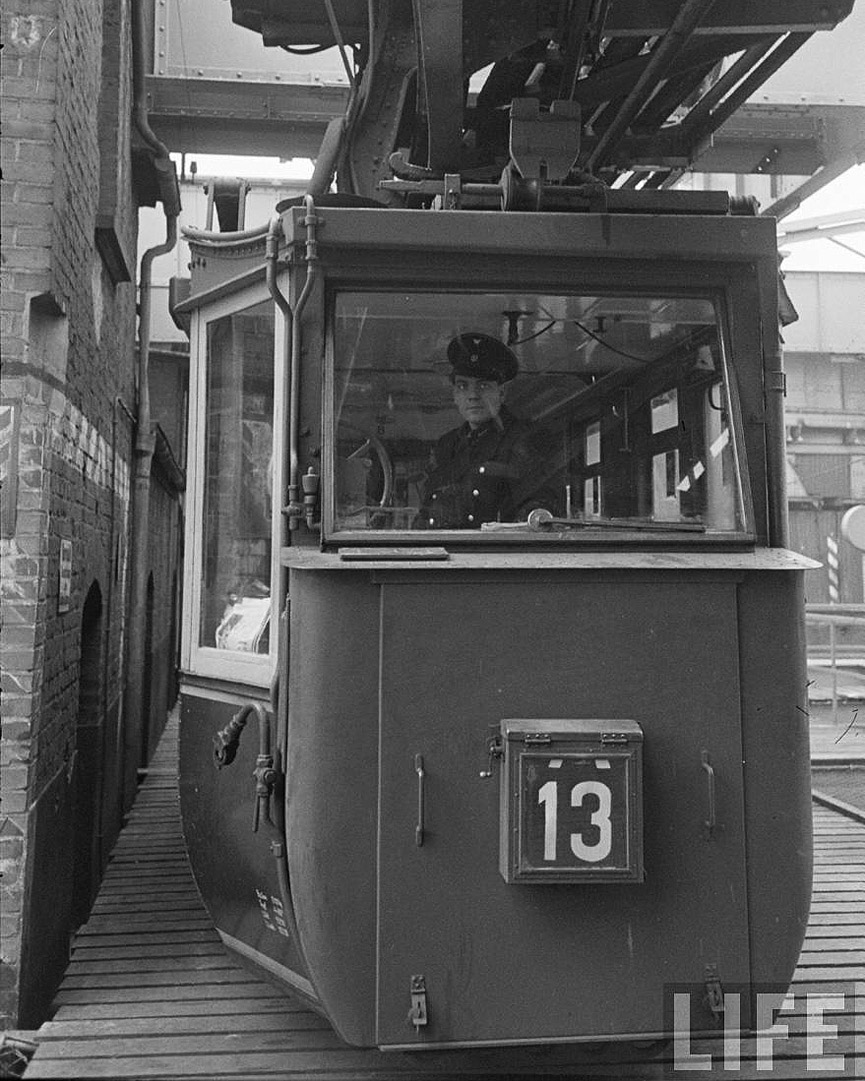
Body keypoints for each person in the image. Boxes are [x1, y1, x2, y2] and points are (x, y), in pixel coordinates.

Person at [417, 332, 556, 529]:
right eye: (463, 386)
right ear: (455, 395)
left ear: (501, 393)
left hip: (499, 553)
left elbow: (538, 514)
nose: (473, 395)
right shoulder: (446, 446)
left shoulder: (522, 438)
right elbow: (427, 510)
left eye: (483, 385)